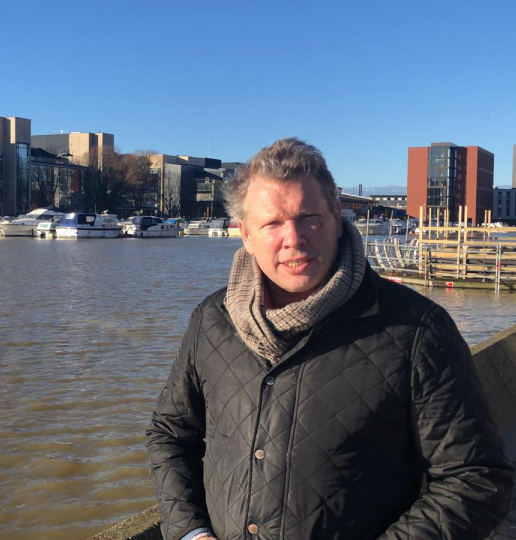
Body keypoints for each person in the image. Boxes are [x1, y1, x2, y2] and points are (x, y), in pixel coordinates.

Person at [146, 138, 513, 540]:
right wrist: (190, 531)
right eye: (272, 223)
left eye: (309, 217)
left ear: (337, 216)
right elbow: (170, 433)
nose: (294, 238)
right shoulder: (212, 321)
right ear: (246, 235)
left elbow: (476, 479)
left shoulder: (419, 330)